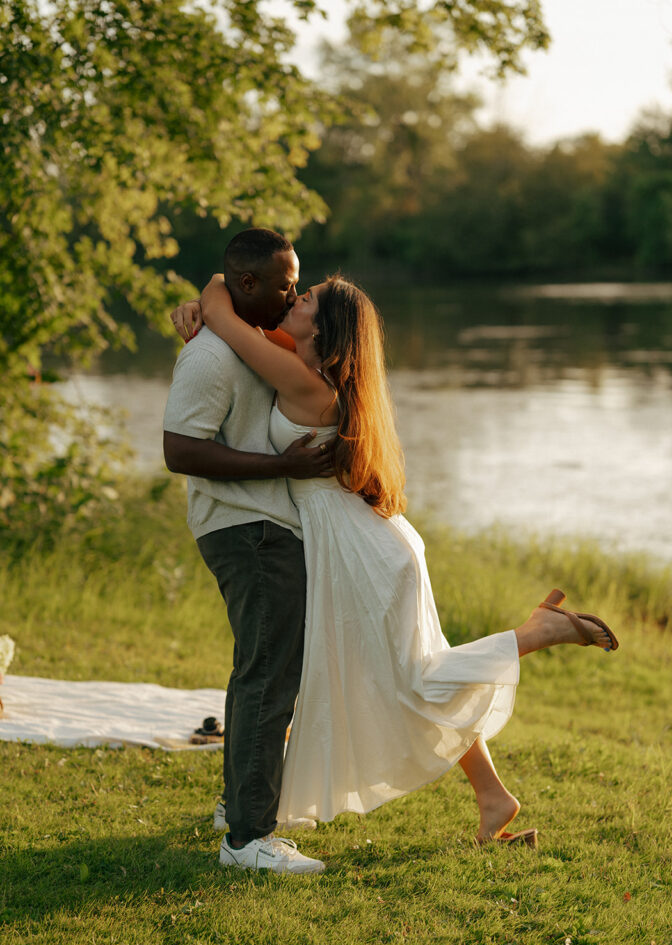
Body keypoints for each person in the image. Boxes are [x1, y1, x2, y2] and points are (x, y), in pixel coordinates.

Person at [172, 271, 619, 866]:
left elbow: (225, 310)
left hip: (359, 551)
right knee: (410, 676)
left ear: (323, 328)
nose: (292, 299)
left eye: (303, 298)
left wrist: (210, 298)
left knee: (412, 679)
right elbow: (234, 305)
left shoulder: (303, 380)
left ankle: (539, 631)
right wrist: (202, 303)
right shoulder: (310, 364)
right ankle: (493, 797)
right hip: (366, 543)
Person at [164, 228, 335, 876]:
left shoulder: (258, 341)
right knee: (266, 679)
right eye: (286, 282)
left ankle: (239, 806)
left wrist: (207, 298)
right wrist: (279, 468)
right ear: (247, 284)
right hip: (245, 529)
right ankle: (247, 839)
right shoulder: (210, 356)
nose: (293, 291)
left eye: (298, 282)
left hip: (263, 524)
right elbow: (179, 449)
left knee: (262, 675)